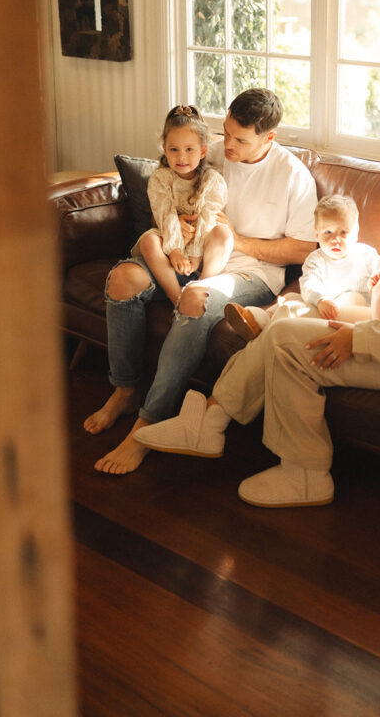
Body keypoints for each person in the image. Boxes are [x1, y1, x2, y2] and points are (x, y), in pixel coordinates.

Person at [133, 118, 380, 507]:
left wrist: (355, 337)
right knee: (287, 326)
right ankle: (213, 424)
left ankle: (299, 468)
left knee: (285, 341)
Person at [86, 87, 318, 475]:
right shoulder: (210, 153)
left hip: (248, 273)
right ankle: (125, 389)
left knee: (194, 298)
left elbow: (303, 249)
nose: (227, 145)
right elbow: (172, 177)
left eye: (240, 140)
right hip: (188, 256)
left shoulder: (292, 175)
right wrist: (179, 223)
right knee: (123, 279)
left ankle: (148, 421)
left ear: (269, 138)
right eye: (225, 132)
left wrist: (240, 240)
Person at [223, 193, 380, 340]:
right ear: (317, 234)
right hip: (322, 304)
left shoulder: (365, 254)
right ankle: (258, 319)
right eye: (328, 232)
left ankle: (278, 323)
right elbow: (308, 285)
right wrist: (320, 300)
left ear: (356, 233)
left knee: (351, 297)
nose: (335, 239)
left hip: (353, 310)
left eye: (343, 232)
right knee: (291, 296)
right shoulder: (315, 259)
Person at [132, 104, 231, 307]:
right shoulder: (160, 178)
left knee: (223, 233)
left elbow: (208, 218)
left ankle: (202, 286)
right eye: (174, 149)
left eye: (189, 149)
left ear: (203, 151)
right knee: (148, 242)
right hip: (170, 238)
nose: (181, 157)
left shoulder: (212, 180)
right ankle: (177, 298)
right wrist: (175, 250)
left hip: (201, 242)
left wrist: (195, 255)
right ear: (164, 149)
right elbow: (164, 215)